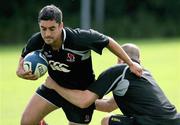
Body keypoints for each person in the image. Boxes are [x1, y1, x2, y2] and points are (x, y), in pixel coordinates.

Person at [16, 4, 142, 125]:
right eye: (43, 29)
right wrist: (20, 72)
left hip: (80, 94)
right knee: (27, 122)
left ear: (61, 26)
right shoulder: (37, 41)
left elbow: (108, 41)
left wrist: (130, 64)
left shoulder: (80, 38)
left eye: (52, 28)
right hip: (53, 87)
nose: (47, 34)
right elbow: (21, 61)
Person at [44, 43, 180, 125]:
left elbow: (84, 101)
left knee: (106, 122)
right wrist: (70, 99)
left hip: (152, 122)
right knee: (110, 120)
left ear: (119, 58)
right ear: (139, 59)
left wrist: (55, 86)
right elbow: (108, 105)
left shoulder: (120, 71)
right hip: (174, 120)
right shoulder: (145, 74)